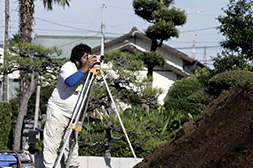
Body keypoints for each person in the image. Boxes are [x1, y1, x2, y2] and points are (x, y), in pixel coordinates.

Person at [43, 43, 97, 168]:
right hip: (58, 111)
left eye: (89, 57)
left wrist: (89, 69)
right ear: (77, 61)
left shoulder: (88, 71)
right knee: (52, 144)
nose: (88, 60)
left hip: (73, 115)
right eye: (85, 57)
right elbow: (70, 82)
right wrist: (85, 68)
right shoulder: (68, 66)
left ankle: (72, 166)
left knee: (72, 146)